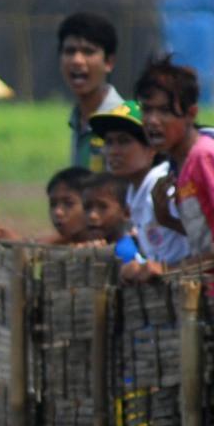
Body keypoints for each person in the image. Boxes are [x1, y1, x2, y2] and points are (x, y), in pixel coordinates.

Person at [128, 57, 214, 281]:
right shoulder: (179, 168)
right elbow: (206, 240)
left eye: (165, 111)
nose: (153, 121)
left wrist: (170, 270)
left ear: (191, 114)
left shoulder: (203, 157)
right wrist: (165, 219)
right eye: (147, 110)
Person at [89, 100, 188, 264]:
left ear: (152, 148)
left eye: (124, 141)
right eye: (109, 142)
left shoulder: (165, 187)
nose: (113, 151)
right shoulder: (134, 191)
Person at [59, 12, 123, 171]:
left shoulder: (122, 121)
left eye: (88, 51)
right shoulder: (78, 120)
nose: (77, 60)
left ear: (109, 62)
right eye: (70, 51)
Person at [81, 172, 144, 263]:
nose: (92, 216)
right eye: (87, 207)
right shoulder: (92, 250)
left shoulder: (122, 253)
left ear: (126, 213)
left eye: (102, 207)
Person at [45, 166, 93, 244]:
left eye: (68, 204)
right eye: (53, 204)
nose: (58, 212)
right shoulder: (51, 247)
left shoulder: (110, 249)